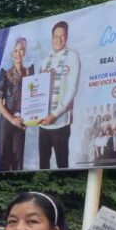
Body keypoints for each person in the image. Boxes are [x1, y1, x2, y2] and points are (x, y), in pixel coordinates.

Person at [38, 21, 81, 170]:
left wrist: (54, 114)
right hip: (43, 122)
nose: (58, 39)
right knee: (42, 165)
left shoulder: (72, 57)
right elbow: (37, 92)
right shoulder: (45, 61)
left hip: (60, 122)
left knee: (62, 164)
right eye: (55, 36)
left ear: (67, 37)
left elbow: (72, 90)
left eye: (61, 36)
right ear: (52, 38)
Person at [0, 36, 32, 170]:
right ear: (11, 53)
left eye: (21, 50)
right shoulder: (5, 73)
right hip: (7, 122)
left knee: (18, 161)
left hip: (22, 121)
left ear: (25, 52)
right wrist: (11, 119)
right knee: (4, 159)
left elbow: (36, 98)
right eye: (15, 50)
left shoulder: (30, 72)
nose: (18, 53)